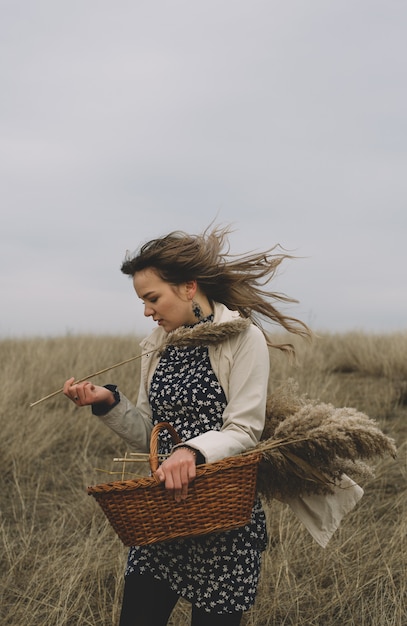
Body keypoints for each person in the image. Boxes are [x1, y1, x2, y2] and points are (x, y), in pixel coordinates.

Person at [63, 225, 310, 626]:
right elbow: (150, 431)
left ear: (188, 286)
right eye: (143, 301)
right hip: (164, 515)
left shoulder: (242, 338)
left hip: (223, 523)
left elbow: (245, 430)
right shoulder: (156, 346)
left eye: (152, 298)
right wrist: (107, 402)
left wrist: (192, 451)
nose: (147, 311)